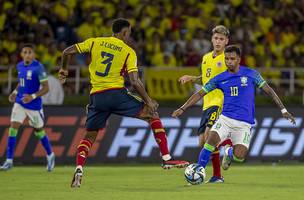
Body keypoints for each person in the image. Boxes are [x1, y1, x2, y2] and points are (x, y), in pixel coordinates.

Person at [58, 18, 189, 188]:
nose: (129, 36)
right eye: (129, 33)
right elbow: (134, 81)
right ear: (124, 32)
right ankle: (167, 159)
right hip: (116, 94)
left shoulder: (95, 42)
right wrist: (148, 101)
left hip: (96, 97)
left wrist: (64, 69)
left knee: (89, 136)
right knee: (153, 115)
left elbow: (67, 52)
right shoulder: (128, 51)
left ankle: (79, 168)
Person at [172, 45, 296, 179]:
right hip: (225, 119)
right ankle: (198, 170)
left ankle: (229, 151)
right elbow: (200, 94)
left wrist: (284, 110)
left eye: (232, 59)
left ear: (239, 59)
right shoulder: (220, 78)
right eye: (226, 59)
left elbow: (270, 91)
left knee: (240, 156)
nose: (229, 61)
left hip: (244, 124)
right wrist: (182, 108)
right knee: (210, 140)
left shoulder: (251, 74)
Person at [178, 25, 232, 183]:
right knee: (203, 142)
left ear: (226, 41)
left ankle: (229, 148)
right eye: (216, 38)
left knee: (210, 136)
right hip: (207, 103)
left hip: (221, 102)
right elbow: (206, 79)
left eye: (221, 39)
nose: (218, 41)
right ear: (212, 39)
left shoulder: (228, 59)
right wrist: (192, 78)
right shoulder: (206, 58)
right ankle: (217, 175)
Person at [0, 44, 55, 171]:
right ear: (21, 54)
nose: (27, 54)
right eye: (25, 52)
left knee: (39, 131)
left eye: (30, 52)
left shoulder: (38, 68)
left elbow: (46, 88)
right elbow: (21, 81)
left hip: (33, 105)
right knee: (13, 128)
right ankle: (9, 161)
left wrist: (32, 96)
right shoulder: (19, 66)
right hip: (20, 102)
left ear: (34, 55)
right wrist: (14, 93)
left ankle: (50, 155)